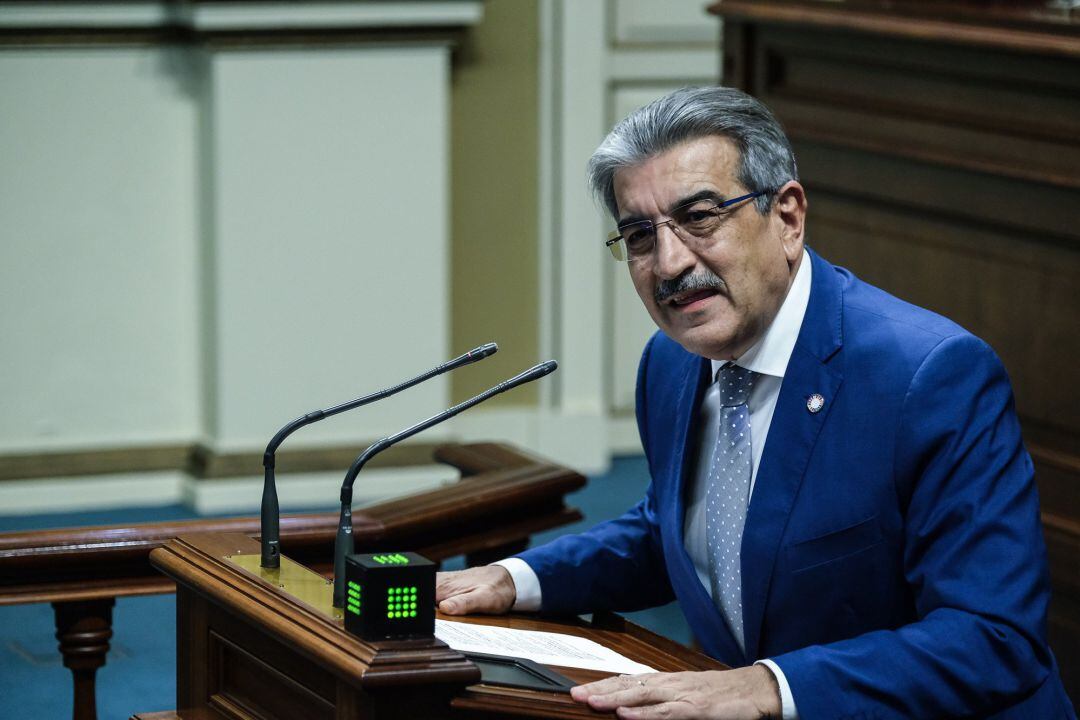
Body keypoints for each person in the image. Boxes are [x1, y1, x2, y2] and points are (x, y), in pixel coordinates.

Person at [435, 86, 1075, 719]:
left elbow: (994, 639)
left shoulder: (929, 375)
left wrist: (769, 687)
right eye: (638, 236)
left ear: (788, 217)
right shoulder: (671, 362)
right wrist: (514, 579)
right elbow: (679, 533)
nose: (669, 262)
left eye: (700, 217)